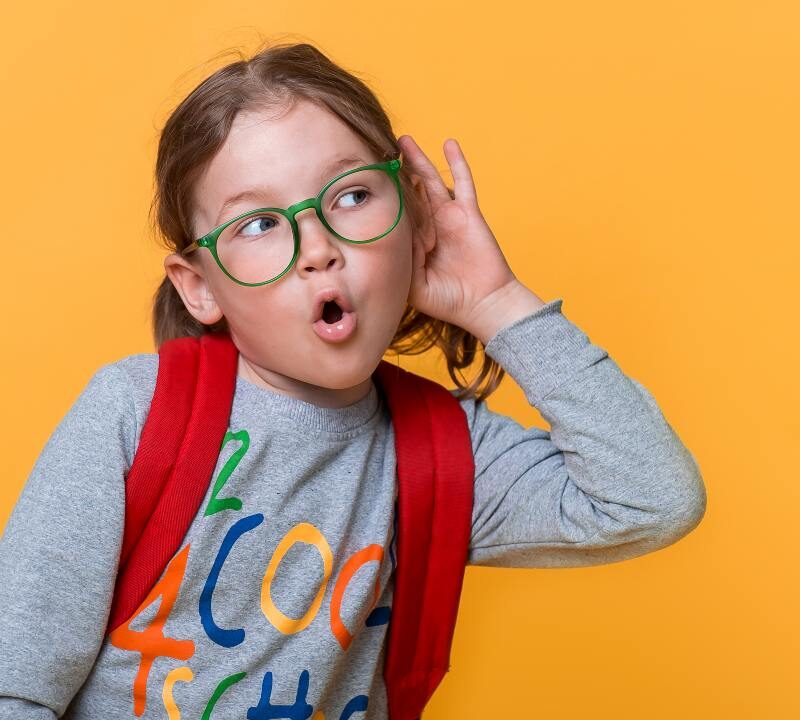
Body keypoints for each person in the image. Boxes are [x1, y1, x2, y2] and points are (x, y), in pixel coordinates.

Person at [0, 41, 706, 719]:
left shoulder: (444, 454)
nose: (318, 251)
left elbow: (650, 500)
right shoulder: (133, 413)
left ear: (415, 219)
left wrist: (497, 304)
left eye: (351, 195)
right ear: (199, 287)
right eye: (260, 224)